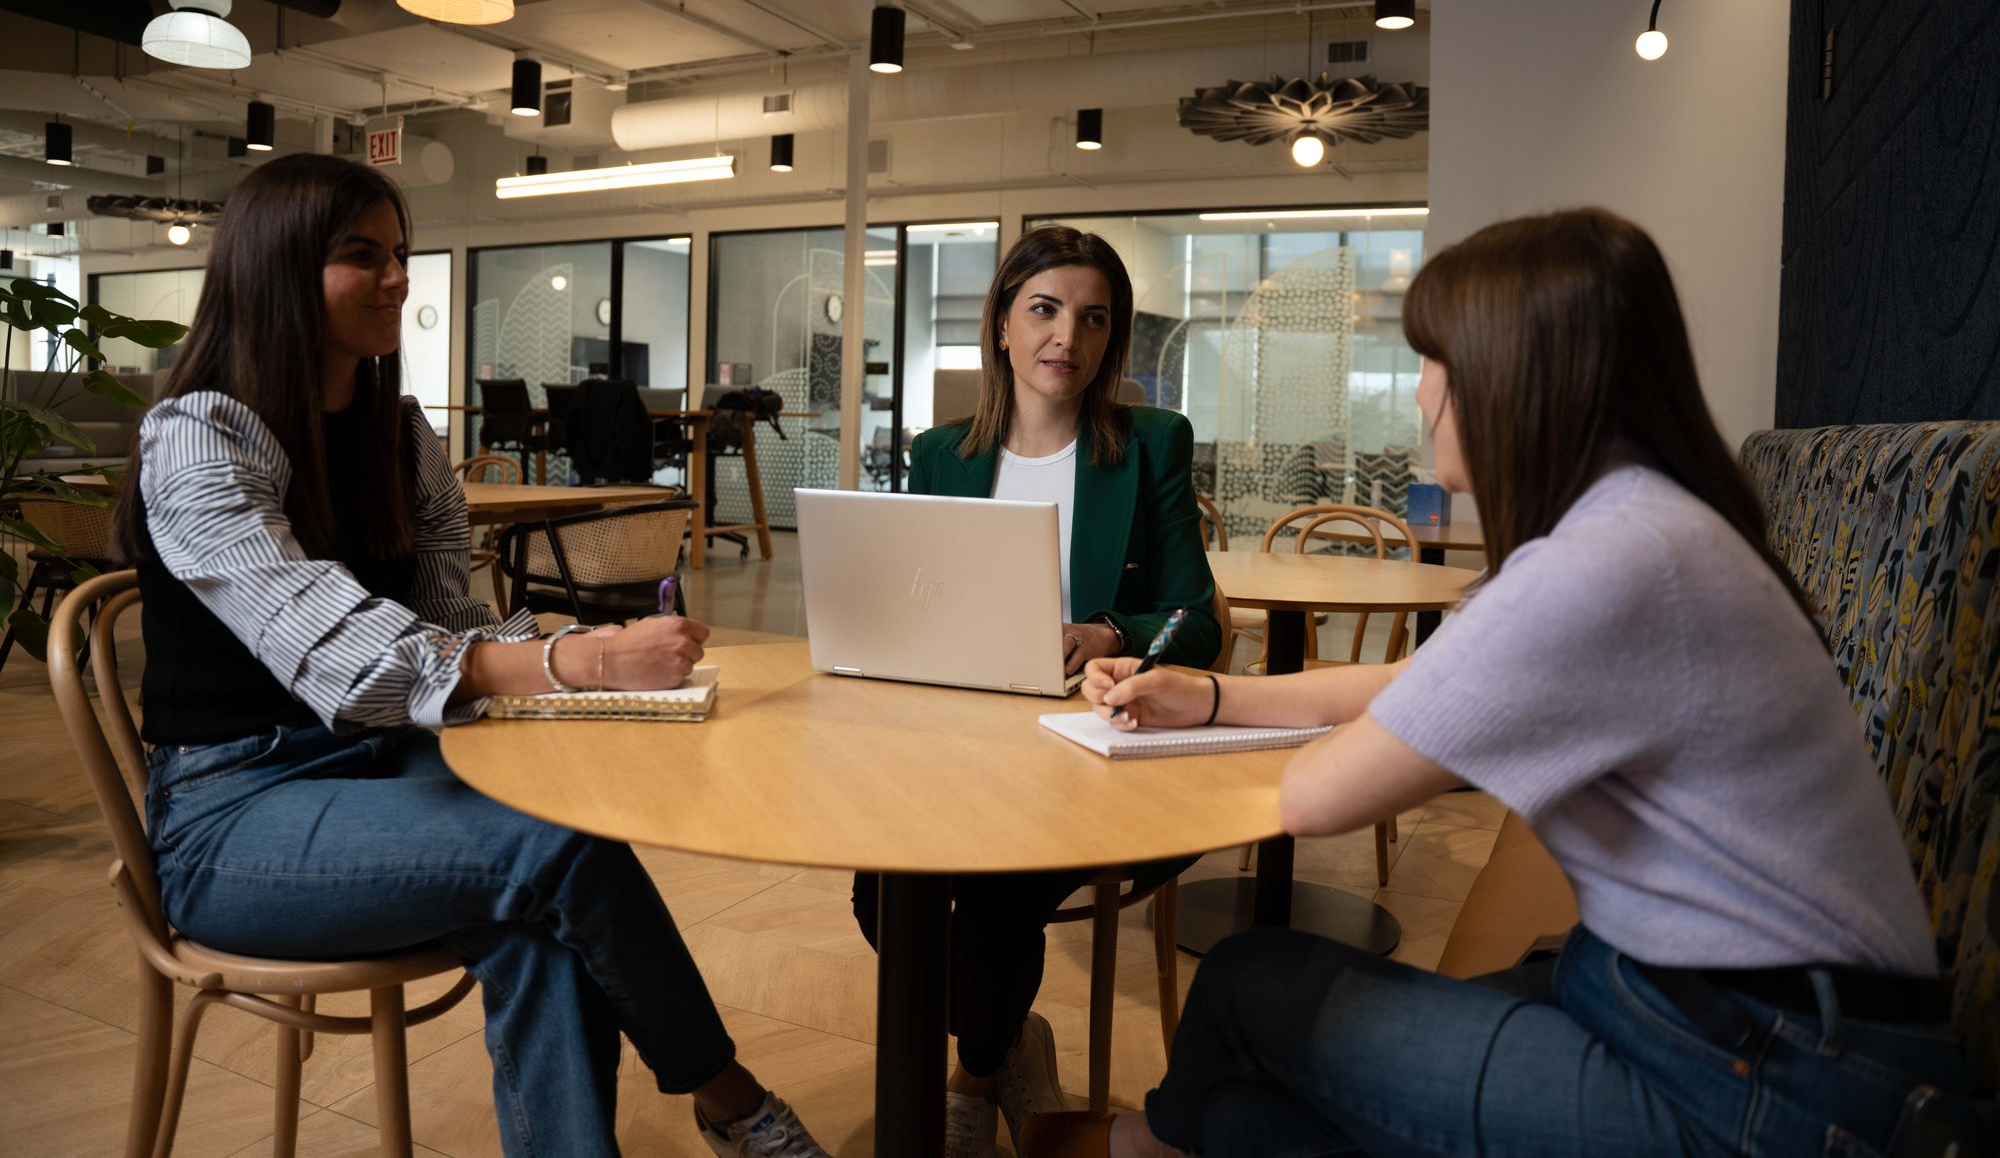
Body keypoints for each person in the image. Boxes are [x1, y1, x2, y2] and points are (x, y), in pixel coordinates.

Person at [1026, 209, 1970, 1157]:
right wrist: (1215, 695)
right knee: (1240, 1120)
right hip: (1707, 1011)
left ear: (1514, 373)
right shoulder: (1643, 520)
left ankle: (1140, 1146)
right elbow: (1409, 679)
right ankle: (1167, 1139)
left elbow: (1319, 796)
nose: (1422, 391)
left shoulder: (1607, 567)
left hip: (1772, 1079)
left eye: (1436, 359)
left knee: (1240, 980)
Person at [114, 154, 828, 1158]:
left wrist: (577, 651)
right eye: (361, 256)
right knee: (559, 848)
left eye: (398, 253)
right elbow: (333, 648)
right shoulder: (199, 432)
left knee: (550, 888)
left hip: (374, 770)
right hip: (230, 814)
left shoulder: (393, 433)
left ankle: (714, 1113)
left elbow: (450, 622)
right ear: (274, 268)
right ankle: (732, 1100)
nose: (397, 279)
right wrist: (572, 665)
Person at [852, 224, 1220, 1156]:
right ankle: (1011, 1037)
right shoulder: (941, 455)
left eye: (1093, 319)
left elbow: (1194, 621)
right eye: (1046, 310)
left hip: (1097, 746)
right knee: (879, 894)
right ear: (1003, 326)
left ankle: (973, 1079)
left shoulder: (1152, 444)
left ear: (1112, 338)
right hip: (966, 743)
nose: (1068, 337)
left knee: (994, 902)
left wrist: (1111, 633)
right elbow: (917, 601)